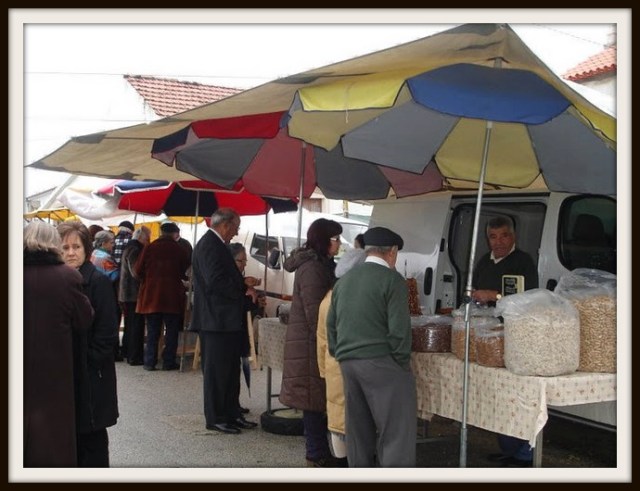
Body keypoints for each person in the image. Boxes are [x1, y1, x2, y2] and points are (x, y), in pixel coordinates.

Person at [327, 226, 416, 467]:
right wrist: (401, 362)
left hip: (348, 361)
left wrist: (340, 352)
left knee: (358, 429)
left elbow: (331, 324)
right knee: (396, 429)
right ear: (392, 252)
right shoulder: (393, 280)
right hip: (381, 360)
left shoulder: (345, 280)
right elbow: (399, 330)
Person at [23, 221, 94, 467]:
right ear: (54, 244)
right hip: (55, 373)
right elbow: (84, 319)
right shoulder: (68, 277)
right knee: (53, 440)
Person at [471, 215, 538, 467]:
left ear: (513, 237)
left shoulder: (523, 261)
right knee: (497, 395)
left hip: (517, 337)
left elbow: (530, 297)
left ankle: (525, 453)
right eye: (493, 237)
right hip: (490, 338)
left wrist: (495, 296)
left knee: (519, 394)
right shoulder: (483, 261)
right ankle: (509, 449)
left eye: (504, 236)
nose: (498, 242)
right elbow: (474, 291)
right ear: (487, 239)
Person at [280, 217, 344, 468]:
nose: (339, 243)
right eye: (335, 239)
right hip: (310, 344)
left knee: (317, 399)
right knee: (313, 401)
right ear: (323, 240)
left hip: (313, 342)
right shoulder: (312, 268)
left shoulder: (323, 264)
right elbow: (316, 312)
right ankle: (316, 454)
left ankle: (320, 452)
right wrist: (330, 339)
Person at [190, 208, 258, 434]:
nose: (236, 233)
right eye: (236, 228)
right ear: (226, 225)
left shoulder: (217, 245)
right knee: (217, 373)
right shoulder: (210, 245)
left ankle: (232, 412)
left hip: (225, 320)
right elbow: (215, 282)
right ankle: (216, 417)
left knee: (230, 371)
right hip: (215, 319)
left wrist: (243, 285)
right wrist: (242, 289)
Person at [58, 221, 120, 467]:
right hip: (67, 373)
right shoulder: (59, 281)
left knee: (92, 436)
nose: (71, 253)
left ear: (86, 249)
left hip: (92, 373)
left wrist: (89, 360)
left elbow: (107, 330)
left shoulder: (97, 281)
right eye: (65, 248)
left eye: (76, 247)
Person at [316, 247, 366, 465]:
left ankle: (342, 463)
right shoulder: (356, 299)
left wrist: (323, 370)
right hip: (351, 367)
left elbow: (321, 340)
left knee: (338, 419)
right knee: (351, 421)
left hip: (334, 368)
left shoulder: (329, 298)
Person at [135, 221, 190, 371]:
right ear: (175, 234)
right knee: (171, 331)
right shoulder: (179, 250)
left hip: (151, 296)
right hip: (172, 296)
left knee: (153, 331)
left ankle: (150, 362)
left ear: (161, 232)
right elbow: (184, 272)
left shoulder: (149, 247)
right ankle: (168, 362)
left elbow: (138, 270)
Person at [228, 242, 266, 415]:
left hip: (240, 327)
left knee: (236, 368)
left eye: (245, 261)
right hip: (230, 328)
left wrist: (257, 301)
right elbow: (235, 302)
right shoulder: (228, 279)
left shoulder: (239, 279)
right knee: (229, 370)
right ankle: (230, 406)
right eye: (240, 261)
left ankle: (234, 404)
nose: (244, 265)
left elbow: (246, 305)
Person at [118, 225, 151, 366]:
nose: (148, 241)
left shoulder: (131, 247)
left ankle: (127, 351)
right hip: (132, 293)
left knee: (131, 324)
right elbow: (135, 272)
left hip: (127, 293)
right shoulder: (135, 249)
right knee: (135, 326)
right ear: (142, 238)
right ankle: (134, 356)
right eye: (148, 238)